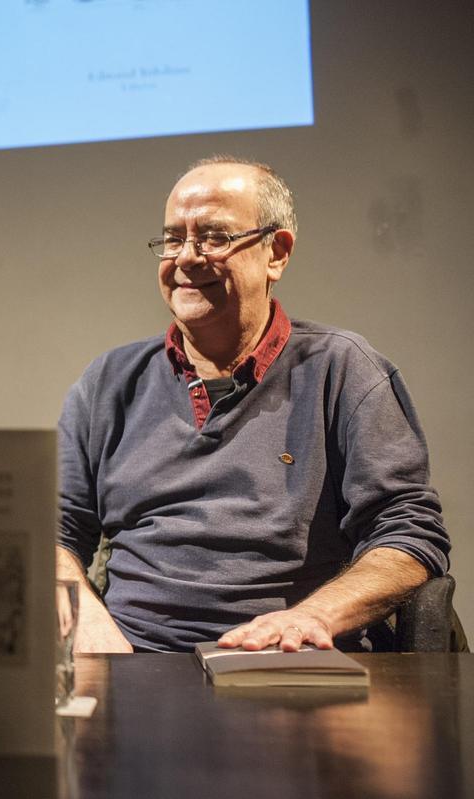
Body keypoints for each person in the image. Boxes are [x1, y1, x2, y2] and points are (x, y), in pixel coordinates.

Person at [57, 155, 449, 653]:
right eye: (174, 238)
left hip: (288, 664)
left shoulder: (342, 369)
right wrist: (85, 615)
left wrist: (312, 617)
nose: (186, 258)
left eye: (214, 237)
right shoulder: (109, 381)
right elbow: (54, 531)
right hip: (133, 662)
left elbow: (410, 535)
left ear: (276, 253)